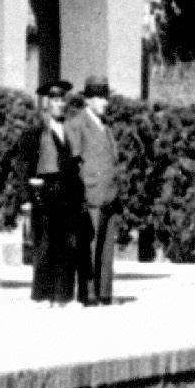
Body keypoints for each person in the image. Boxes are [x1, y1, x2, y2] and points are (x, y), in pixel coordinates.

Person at [7, 81, 87, 303]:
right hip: (44, 195)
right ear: (46, 104)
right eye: (55, 100)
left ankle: (63, 297)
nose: (60, 104)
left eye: (62, 100)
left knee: (68, 246)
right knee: (44, 246)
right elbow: (22, 166)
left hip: (68, 196)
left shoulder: (70, 131)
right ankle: (42, 296)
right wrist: (26, 197)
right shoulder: (34, 133)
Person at [76, 78, 121, 304]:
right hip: (91, 196)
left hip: (109, 195)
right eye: (100, 97)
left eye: (106, 97)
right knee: (91, 246)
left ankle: (104, 293)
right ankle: (88, 294)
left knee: (106, 249)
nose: (105, 102)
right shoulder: (78, 125)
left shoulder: (105, 127)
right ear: (88, 100)